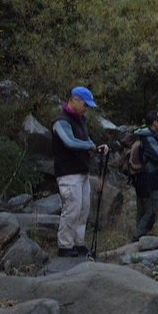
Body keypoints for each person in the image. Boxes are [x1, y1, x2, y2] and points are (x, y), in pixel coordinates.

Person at [52, 86, 108, 257]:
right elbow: (70, 142)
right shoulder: (61, 121)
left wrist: (97, 147)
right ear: (74, 100)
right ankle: (65, 245)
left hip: (82, 172)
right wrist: (90, 146)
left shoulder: (80, 120)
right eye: (85, 104)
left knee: (83, 209)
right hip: (68, 173)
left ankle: (78, 243)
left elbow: (86, 140)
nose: (86, 108)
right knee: (72, 208)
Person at [132, 110, 158, 239]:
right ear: (155, 123)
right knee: (152, 209)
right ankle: (139, 236)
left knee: (142, 209)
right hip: (149, 177)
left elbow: (149, 157)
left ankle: (139, 238)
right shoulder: (148, 137)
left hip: (140, 176)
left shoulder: (142, 135)